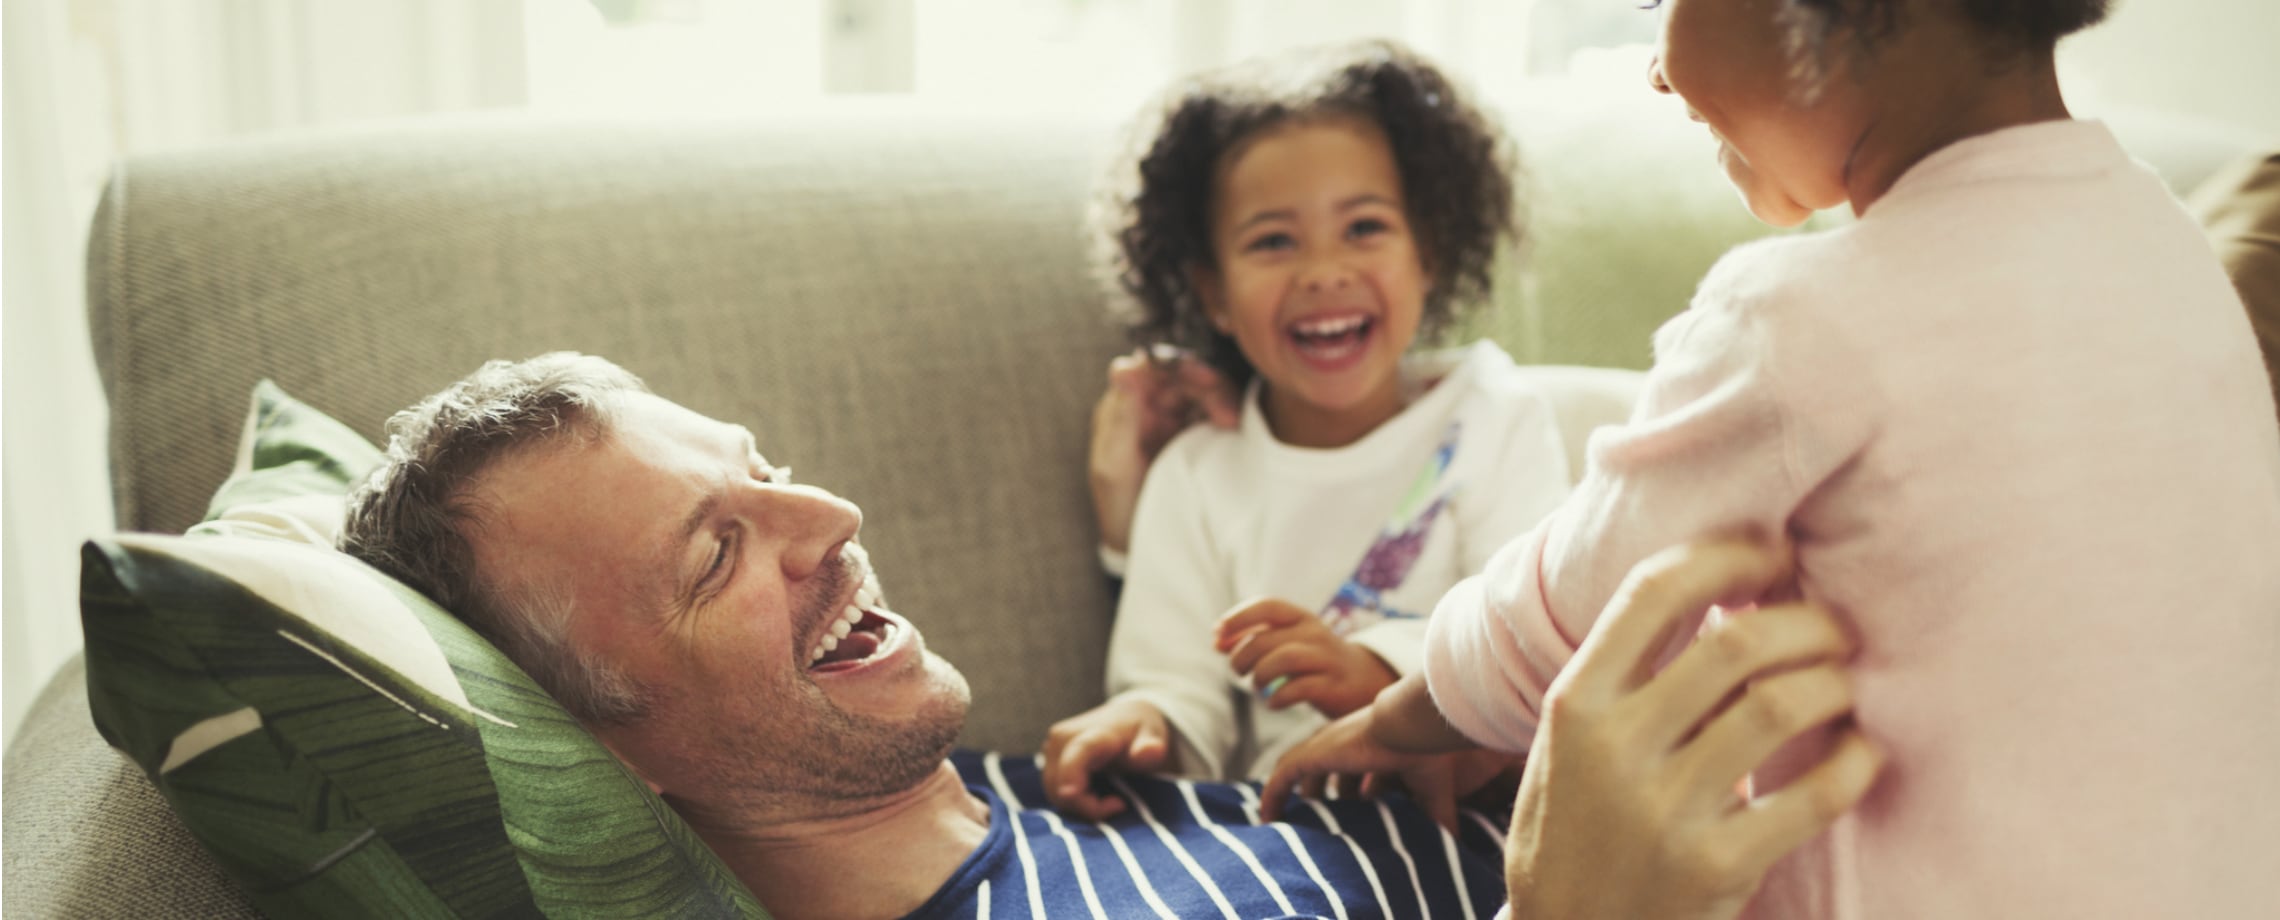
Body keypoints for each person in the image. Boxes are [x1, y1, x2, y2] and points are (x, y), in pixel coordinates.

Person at [1266, 1, 2280, 918]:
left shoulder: (1800, 317)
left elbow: (1571, 605)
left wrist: (1397, 718)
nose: (1657, 72)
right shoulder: (2171, 251)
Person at [337, 352, 1516, 920]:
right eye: (717, 553)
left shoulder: (1058, 775)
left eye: (767, 472)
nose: (833, 519)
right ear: (594, 741)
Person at [1046, 39, 1573, 821]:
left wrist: (1377, 678)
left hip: (1471, 821)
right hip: (1280, 832)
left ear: (1429, 254)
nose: (1323, 270)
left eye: (1363, 227)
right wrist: (1141, 724)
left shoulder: (1495, 419)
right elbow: (1173, 683)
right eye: (1272, 241)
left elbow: (1531, 646)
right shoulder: (1198, 471)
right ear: (1213, 293)